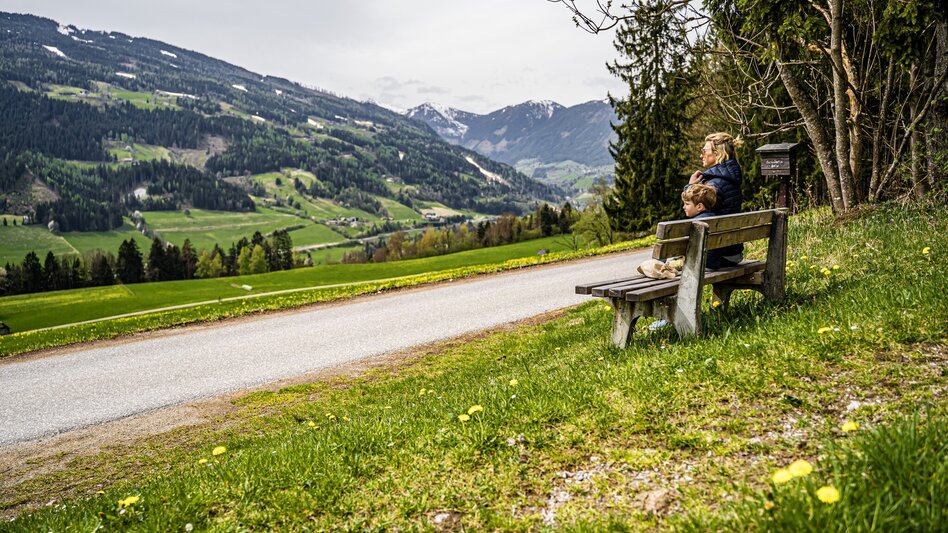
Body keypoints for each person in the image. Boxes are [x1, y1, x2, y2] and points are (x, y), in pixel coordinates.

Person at [686, 132, 744, 266]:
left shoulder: (714, 185)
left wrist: (690, 187)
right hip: (733, 251)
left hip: (719, 255)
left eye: (704, 151)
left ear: (717, 153)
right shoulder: (730, 179)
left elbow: (692, 209)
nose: (701, 155)